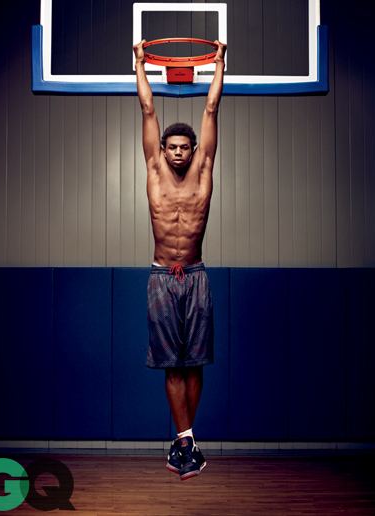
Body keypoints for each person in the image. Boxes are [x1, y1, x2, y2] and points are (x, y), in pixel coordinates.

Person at [133, 39, 227, 481]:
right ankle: (186, 442)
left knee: (195, 362)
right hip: (160, 278)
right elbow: (147, 111)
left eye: (182, 147)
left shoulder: (203, 172)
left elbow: (210, 112)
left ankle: (186, 440)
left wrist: (219, 63)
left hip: (196, 276)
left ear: (192, 152)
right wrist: (140, 64)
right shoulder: (154, 173)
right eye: (169, 146)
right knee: (172, 363)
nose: (175, 152)